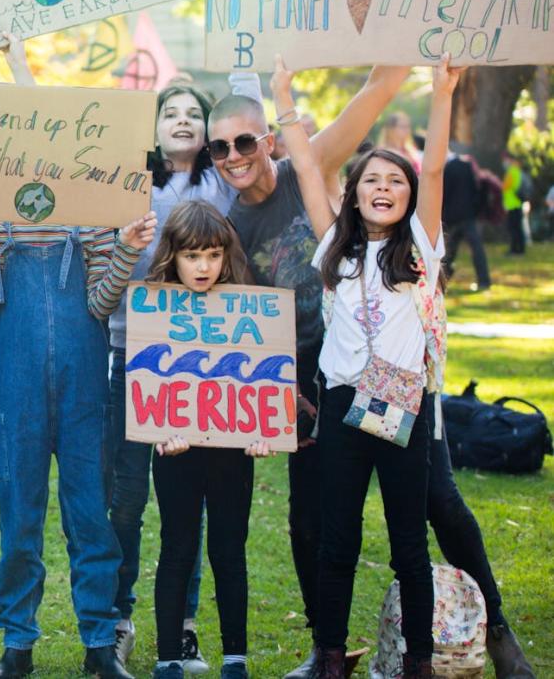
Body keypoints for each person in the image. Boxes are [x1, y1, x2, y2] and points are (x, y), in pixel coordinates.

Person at [274, 55, 535, 679]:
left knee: (409, 546)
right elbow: (307, 166)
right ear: (355, 193)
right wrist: (281, 93)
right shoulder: (333, 247)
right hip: (341, 405)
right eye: (371, 181)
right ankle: (331, 659)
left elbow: (437, 165)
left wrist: (442, 92)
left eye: (395, 180)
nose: (383, 187)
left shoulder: (419, 246)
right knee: (338, 541)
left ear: (408, 194)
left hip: (405, 405)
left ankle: (418, 662)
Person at [0, 34, 157, 679]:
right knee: (20, 517)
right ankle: (17, 646)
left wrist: (128, 246)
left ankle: (97, 646)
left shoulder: (94, 215)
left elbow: (102, 301)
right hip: (19, 396)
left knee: (91, 516)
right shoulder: (0, 214)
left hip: (85, 394)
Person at [209, 61, 410, 678]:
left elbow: (378, 90)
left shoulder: (310, 164)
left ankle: (474, 629)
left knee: (427, 501)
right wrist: (278, 391)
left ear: (268, 139)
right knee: (308, 515)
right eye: (221, 148)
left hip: (370, 360)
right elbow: (243, 319)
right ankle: (328, 649)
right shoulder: (231, 225)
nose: (234, 156)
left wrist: (397, 48)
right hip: (297, 377)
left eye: (246, 141)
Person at [106, 78, 252, 673]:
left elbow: (254, 117)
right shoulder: (127, 181)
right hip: (130, 351)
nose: (186, 121)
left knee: (187, 504)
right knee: (127, 498)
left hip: (208, 365)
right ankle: (120, 616)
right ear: (154, 123)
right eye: (173, 112)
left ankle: (186, 626)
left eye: (197, 113)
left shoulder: (224, 182)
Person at [145, 201, 277, 679]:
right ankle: (167, 658)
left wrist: (260, 434)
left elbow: (261, 383)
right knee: (177, 546)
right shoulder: (154, 308)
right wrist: (160, 430)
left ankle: (236, 658)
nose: (203, 267)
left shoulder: (247, 308)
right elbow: (150, 383)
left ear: (226, 256)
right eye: (192, 256)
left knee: (228, 548)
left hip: (231, 452)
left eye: (213, 256)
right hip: (175, 448)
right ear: (173, 256)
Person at [441, 150, 490, 291]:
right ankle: (484, 281)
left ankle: (442, 281)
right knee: (477, 249)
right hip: (468, 215)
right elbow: (476, 188)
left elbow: (444, 193)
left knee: (447, 252)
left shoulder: (446, 169)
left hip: (451, 217)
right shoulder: (467, 166)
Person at [500, 152, 528, 255]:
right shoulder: (516, 171)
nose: (504, 162)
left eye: (506, 159)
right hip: (515, 203)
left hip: (513, 204)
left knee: (514, 229)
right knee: (516, 228)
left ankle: (516, 250)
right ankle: (518, 249)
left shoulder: (512, 171)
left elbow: (506, 187)